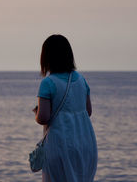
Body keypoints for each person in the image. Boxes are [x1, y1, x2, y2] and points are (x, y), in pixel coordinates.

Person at [33, 34, 97, 182]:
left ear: (46, 57)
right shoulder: (81, 80)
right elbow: (88, 111)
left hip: (60, 144)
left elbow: (43, 118)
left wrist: (37, 112)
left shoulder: (48, 83)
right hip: (85, 143)